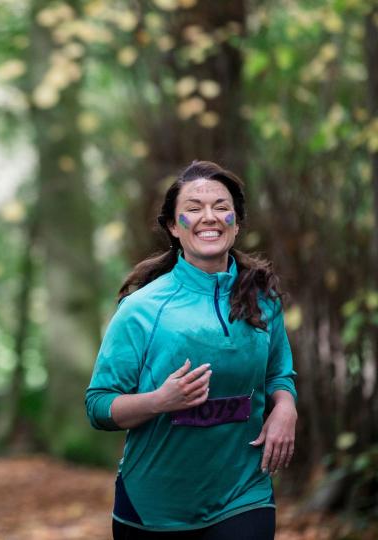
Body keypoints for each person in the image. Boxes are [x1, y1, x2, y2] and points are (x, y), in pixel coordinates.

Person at [85, 161, 298, 539]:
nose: (209, 217)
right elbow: (99, 405)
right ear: (172, 226)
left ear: (236, 221)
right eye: (194, 208)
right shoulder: (142, 308)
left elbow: (278, 374)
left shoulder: (263, 299)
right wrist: (159, 400)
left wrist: (285, 407)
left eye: (220, 206)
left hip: (243, 493)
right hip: (155, 505)